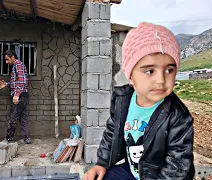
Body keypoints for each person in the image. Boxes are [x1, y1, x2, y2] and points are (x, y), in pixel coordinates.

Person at [83, 22, 195, 180]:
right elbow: (112, 133)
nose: (161, 80)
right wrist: (101, 163)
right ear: (131, 76)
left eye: (169, 70)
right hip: (134, 171)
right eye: (149, 71)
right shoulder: (123, 100)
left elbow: (177, 166)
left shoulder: (178, 116)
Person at [0, 50, 31, 144]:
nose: (6, 62)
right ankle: (27, 138)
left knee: (13, 116)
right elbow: (17, 82)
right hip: (23, 94)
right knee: (23, 116)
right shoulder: (17, 66)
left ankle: (9, 139)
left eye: (7, 59)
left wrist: (16, 95)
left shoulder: (18, 65)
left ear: (13, 57)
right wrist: (7, 84)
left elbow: (22, 81)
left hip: (20, 95)